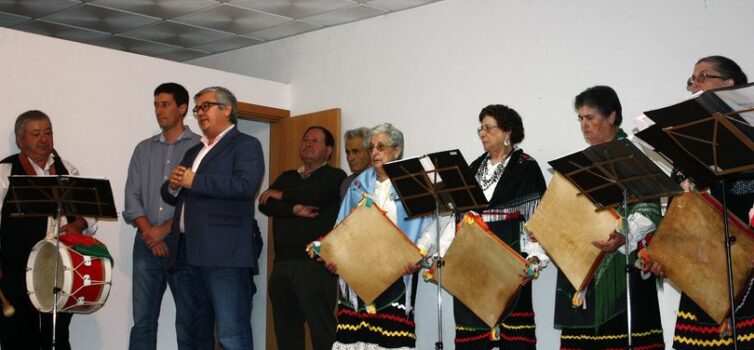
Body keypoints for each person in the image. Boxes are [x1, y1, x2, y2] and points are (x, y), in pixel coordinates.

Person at [554, 86, 665, 349]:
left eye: (589, 117)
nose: (584, 125)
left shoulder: (631, 154)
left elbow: (649, 210)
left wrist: (623, 234)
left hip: (620, 268)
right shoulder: (580, 162)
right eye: (580, 118)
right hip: (582, 267)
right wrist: (548, 228)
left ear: (612, 116)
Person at [659, 55, 754, 349]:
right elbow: (689, 206)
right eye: (693, 80)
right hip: (706, 262)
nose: (696, 85)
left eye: (703, 77)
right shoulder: (694, 139)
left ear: (730, 84)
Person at [161, 86, 264, 350]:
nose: (199, 113)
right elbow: (174, 195)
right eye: (197, 109)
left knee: (231, 333)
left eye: (205, 106)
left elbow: (245, 186)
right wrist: (173, 185)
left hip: (224, 254)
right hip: (186, 251)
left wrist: (195, 180)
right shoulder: (195, 150)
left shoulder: (246, 145)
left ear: (227, 109)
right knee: (192, 331)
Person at [453, 104, 549, 349]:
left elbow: (537, 221)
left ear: (508, 132)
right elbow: (462, 217)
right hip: (473, 264)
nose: (482, 134)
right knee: (472, 339)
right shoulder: (473, 168)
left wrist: (535, 259)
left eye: (488, 128)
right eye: (481, 129)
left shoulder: (526, 167)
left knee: (514, 339)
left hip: (510, 261)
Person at [328, 122, 430, 350]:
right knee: (355, 335)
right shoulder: (358, 185)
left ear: (397, 150)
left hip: (396, 269)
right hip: (358, 272)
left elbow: (428, 228)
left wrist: (417, 255)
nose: (374, 152)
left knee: (390, 337)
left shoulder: (412, 184)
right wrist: (334, 258)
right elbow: (341, 227)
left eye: (381, 147)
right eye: (372, 147)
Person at [0, 110, 97, 350]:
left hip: (60, 267)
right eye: (36, 134)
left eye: (48, 132)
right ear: (20, 139)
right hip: (15, 267)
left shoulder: (68, 170)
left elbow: (92, 215)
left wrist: (79, 224)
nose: (44, 139)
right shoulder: (5, 172)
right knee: (18, 335)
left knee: (58, 336)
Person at [124, 82, 200, 350]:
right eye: (156, 104)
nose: (159, 110)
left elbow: (196, 201)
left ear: (182, 108)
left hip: (182, 243)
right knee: (143, 321)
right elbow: (131, 197)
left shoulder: (199, 148)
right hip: (146, 243)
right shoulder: (143, 149)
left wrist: (165, 230)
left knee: (189, 320)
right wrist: (150, 234)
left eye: (165, 104)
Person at [258, 126, 346, 350]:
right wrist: (294, 208)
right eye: (305, 139)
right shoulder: (287, 176)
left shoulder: (335, 176)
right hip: (282, 264)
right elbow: (265, 204)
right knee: (286, 331)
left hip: (316, 265)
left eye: (315, 141)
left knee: (322, 330)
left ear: (328, 150)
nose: (307, 144)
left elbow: (316, 196)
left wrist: (283, 195)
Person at [340, 127, 371, 198]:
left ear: (370, 151)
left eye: (356, 151)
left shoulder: (384, 179)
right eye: (347, 152)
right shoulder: (347, 184)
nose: (350, 158)